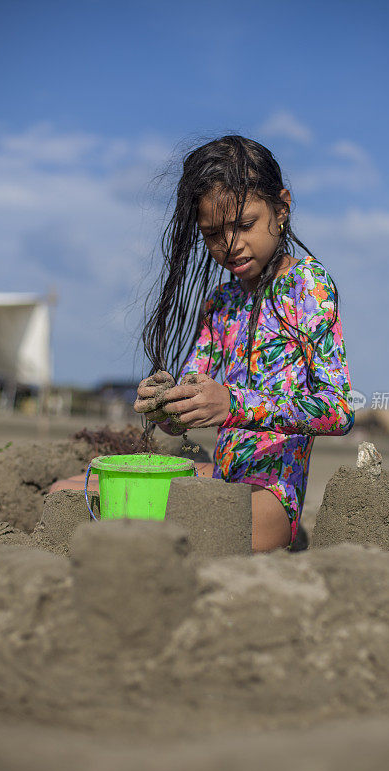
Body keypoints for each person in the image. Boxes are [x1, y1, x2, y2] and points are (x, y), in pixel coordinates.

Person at [133, 135, 354, 553]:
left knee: (192, 539)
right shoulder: (221, 303)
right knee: (73, 491)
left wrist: (234, 405)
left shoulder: (307, 286)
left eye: (244, 225)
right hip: (219, 478)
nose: (230, 244)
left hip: (270, 497)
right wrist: (168, 405)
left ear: (282, 208)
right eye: (213, 233)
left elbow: (339, 410)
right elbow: (193, 408)